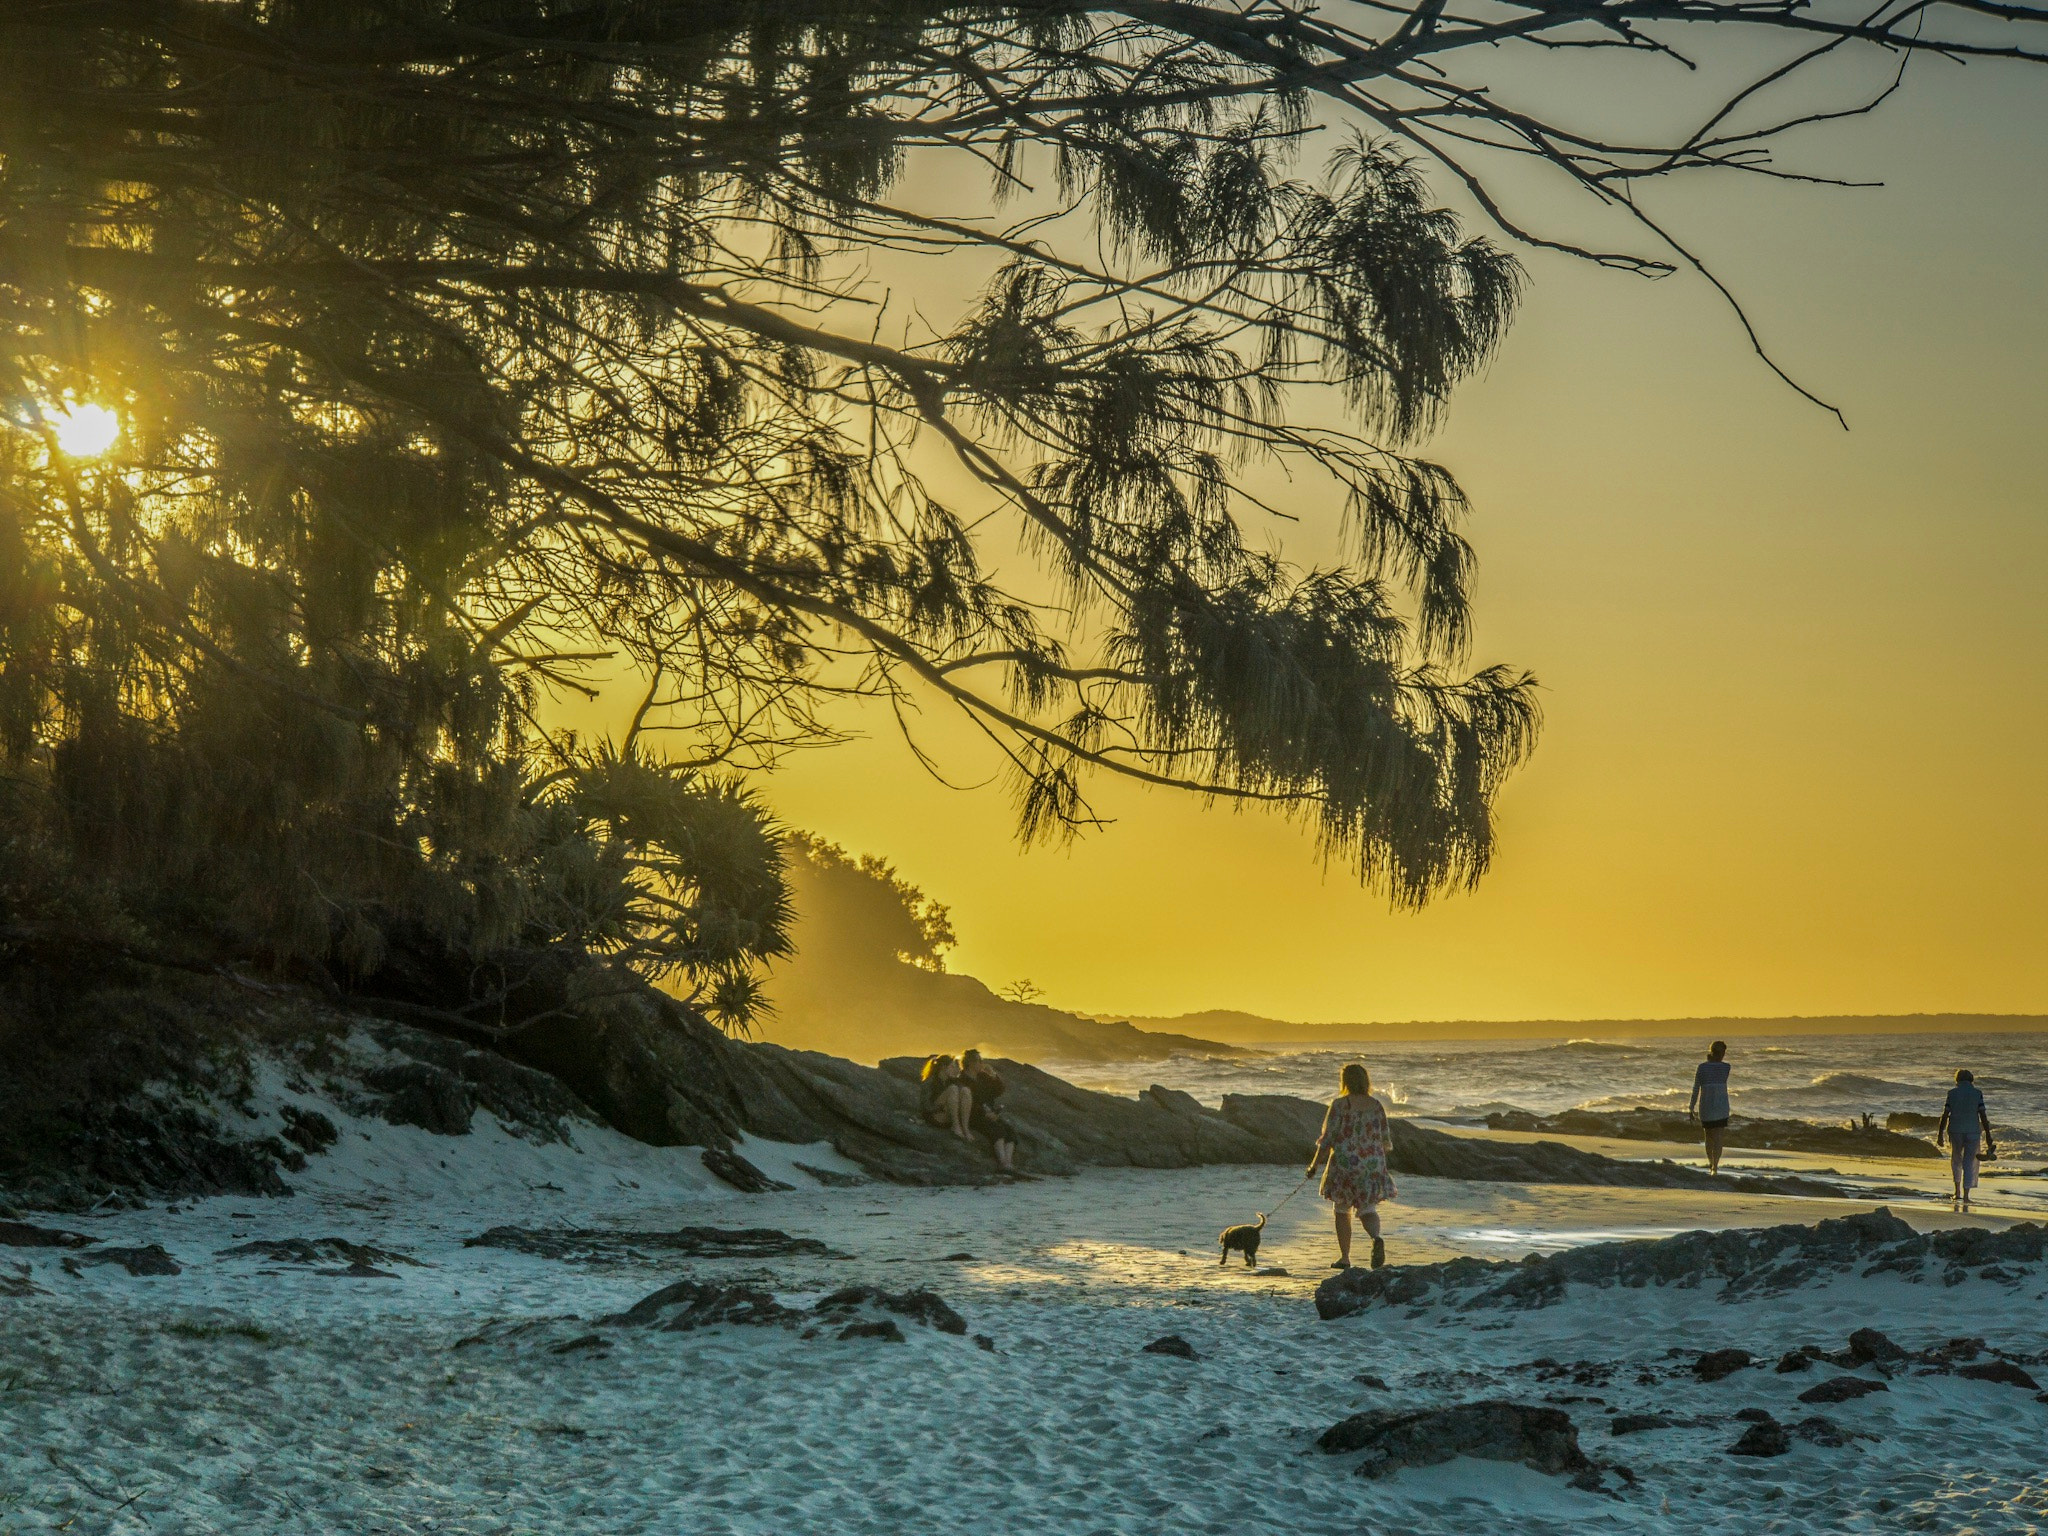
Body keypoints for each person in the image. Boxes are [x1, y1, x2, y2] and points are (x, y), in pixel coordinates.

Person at [1307, 1063, 1396, 1271]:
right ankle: (1376, 1238)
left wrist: (1313, 1166)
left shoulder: (1340, 1105)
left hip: (1345, 1164)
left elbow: (1327, 1139)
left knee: (1341, 1209)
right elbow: (1386, 1140)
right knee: (1367, 1208)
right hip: (1372, 1163)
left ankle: (1345, 1257)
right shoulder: (1376, 1105)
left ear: (1345, 1081)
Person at [1936, 1069, 1996, 1210]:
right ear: (1971, 1080)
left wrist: (1940, 1134)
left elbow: (1945, 1114)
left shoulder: (1952, 1093)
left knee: (1956, 1159)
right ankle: (1967, 1195)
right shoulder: (1977, 1093)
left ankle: (1957, 1192)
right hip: (1973, 1131)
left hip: (1955, 1130)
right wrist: (1988, 1135)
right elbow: (1983, 1116)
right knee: (1970, 1162)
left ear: (1957, 1080)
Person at [959, 1049, 1017, 1173]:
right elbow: (969, 1103)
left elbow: (999, 1090)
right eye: (980, 1061)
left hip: (989, 1113)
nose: (982, 1063)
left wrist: (993, 1075)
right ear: (971, 1063)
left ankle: (1007, 1162)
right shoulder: (963, 1079)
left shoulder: (983, 1077)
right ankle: (1003, 1162)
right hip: (975, 1115)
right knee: (997, 1131)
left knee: (1010, 1131)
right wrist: (986, 1113)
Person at [1687, 1040, 1733, 1175]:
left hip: (1707, 1105)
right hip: (1721, 1105)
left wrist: (1691, 1107)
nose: (1723, 1055)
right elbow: (1697, 1088)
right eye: (1722, 1053)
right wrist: (1691, 1108)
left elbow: (1696, 1088)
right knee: (1717, 1136)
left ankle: (1712, 1164)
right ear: (1719, 1053)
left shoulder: (1702, 1067)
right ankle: (1715, 1166)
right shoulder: (1726, 1067)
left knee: (1710, 1136)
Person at [919, 1054, 972, 1139]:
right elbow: (925, 1106)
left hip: (948, 1115)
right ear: (943, 1067)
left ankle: (965, 1128)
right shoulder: (930, 1081)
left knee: (966, 1090)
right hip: (936, 1116)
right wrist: (940, 1108)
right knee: (952, 1089)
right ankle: (956, 1127)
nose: (955, 1069)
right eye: (952, 1067)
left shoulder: (953, 1081)